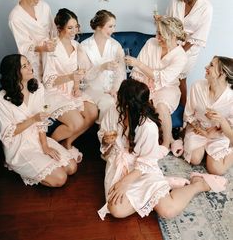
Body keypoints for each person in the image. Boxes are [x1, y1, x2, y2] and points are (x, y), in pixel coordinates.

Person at [97, 79, 227, 220]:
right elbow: (103, 133)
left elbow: (145, 163)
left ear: (127, 104)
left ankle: (198, 184)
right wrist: (105, 140)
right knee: (117, 210)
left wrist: (124, 183)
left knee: (168, 211)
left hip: (141, 170)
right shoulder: (113, 111)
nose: (116, 97)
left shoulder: (148, 127)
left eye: (119, 95)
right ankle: (164, 184)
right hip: (120, 165)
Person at [0, 54, 80, 187]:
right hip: (20, 146)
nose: (30, 67)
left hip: (38, 138)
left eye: (29, 63)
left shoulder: (38, 88)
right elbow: (8, 133)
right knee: (60, 179)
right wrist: (33, 120)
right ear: (14, 72)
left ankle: (43, 164)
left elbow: (41, 120)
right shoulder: (2, 100)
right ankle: (22, 168)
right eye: (24, 66)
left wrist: (45, 146)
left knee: (71, 167)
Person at [126, 16, 188, 156]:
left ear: (172, 35)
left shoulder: (180, 56)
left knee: (161, 105)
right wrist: (142, 87)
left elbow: (162, 78)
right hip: (144, 83)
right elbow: (137, 72)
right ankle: (135, 142)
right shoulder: (151, 43)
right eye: (157, 32)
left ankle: (166, 144)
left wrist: (139, 64)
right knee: (135, 101)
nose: (157, 36)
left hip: (167, 87)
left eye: (161, 34)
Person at [43, 8, 98, 150]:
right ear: (60, 27)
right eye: (70, 27)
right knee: (77, 122)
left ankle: (67, 142)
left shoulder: (76, 45)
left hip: (71, 89)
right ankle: (50, 145)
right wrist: (70, 77)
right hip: (54, 91)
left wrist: (76, 87)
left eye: (76, 26)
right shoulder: (51, 47)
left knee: (93, 113)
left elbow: (78, 71)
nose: (74, 31)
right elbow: (48, 81)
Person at [166, 0, 213, 106]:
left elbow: (199, 35)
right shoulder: (175, 1)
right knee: (166, 75)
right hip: (171, 43)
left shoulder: (206, 8)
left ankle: (184, 112)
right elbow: (168, 22)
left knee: (180, 78)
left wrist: (180, 51)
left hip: (190, 48)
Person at [183, 56, 233, 175]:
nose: (206, 67)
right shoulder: (197, 87)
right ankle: (205, 150)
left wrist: (221, 120)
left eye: (211, 65)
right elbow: (189, 115)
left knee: (216, 170)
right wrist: (202, 131)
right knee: (194, 159)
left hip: (221, 133)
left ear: (223, 74)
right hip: (198, 129)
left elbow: (231, 134)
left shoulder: (231, 98)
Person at [80, 10, 126, 123]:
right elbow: (84, 76)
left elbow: (121, 73)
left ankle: (116, 136)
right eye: (110, 26)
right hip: (92, 89)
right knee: (108, 103)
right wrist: (101, 67)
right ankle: (106, 136)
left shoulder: (116, 46)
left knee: (119, 102)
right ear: (99, 27)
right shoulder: (84, 46)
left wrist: (115, 89)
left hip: (113, 89)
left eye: (114, 26)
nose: (113, 30)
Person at [9, 0, 57, 81]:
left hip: (50, 56)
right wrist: (42, 49)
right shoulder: (15, 17)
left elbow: (53, 31)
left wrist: (52, 44)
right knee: (37, 90)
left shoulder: (44, 7)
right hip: (31, 59)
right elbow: (24, 45)